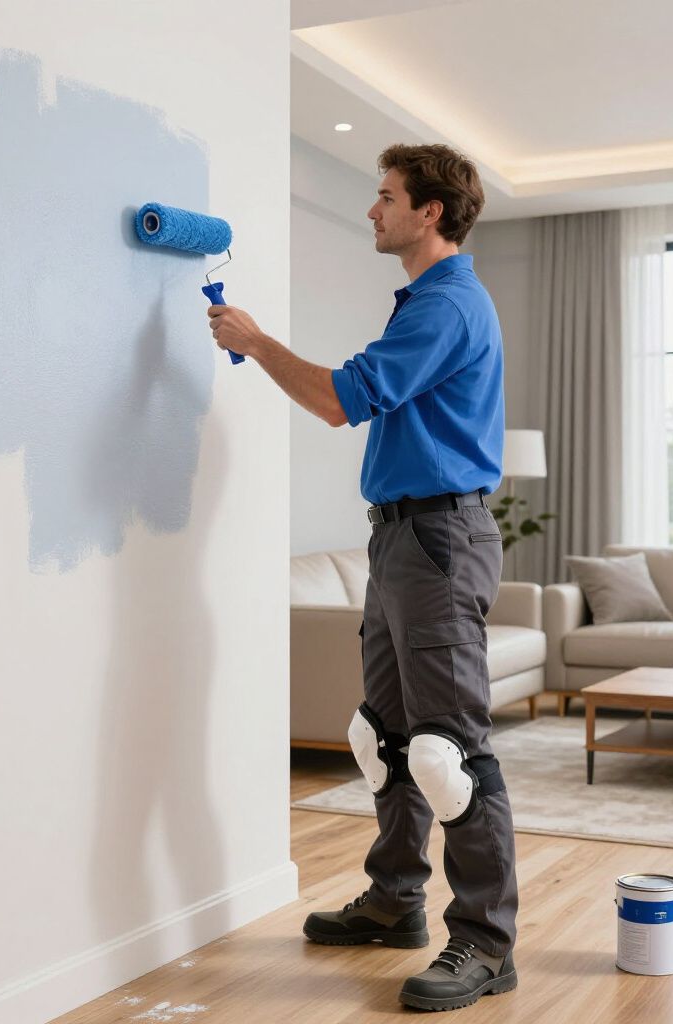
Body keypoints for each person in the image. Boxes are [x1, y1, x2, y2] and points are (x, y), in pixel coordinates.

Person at [207, 142, 518, 1013]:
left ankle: (487, 944)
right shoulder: (421, 301)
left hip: (439, 540)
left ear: (431, 213)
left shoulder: (447, 305)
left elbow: (343, 399)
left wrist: (257, 342)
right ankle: (394, 900)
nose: (372, 211)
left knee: (449, 750)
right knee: (382, 738)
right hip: (398, 538)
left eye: (385, 198)